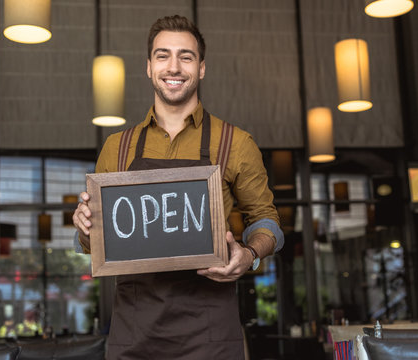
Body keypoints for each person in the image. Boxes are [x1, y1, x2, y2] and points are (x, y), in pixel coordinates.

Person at [73, 15, 284, 359]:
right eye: (162, 56)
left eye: (186, 57)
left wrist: (250, 255)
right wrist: (83, 225)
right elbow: (93, 243)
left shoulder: (236, 142)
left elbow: (267, 221)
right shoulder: (117, 148)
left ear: (201, 68)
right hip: (134, 335)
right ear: (148, 67)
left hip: (210, 335)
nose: (174, 67)